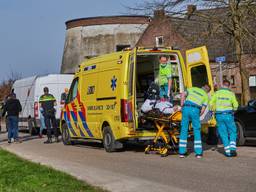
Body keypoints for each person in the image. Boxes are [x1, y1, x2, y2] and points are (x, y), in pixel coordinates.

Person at [179, 84, 211, 158]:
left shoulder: (192, 88)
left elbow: (183, 94)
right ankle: (198, 153)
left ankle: (182, 152)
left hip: (186, 108)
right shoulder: (206, 96)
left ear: (202, 87)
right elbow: (203, 109)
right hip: (195, 109)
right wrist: (198, 114)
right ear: (207, 91)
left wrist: (182, 104)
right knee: (196, 130)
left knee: (184, 129)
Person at [209, 80, 238, 157]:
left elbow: (211, 103)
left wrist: (212, 111)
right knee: (232, 131)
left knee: (223, 133)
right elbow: (235, 104)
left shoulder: (217, 93)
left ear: (222, 85)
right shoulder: (231, 94)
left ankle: (228, 152)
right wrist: (234, 110)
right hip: (228, 115)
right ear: (229, 86)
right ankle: (232, 148)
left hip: (219, 115)